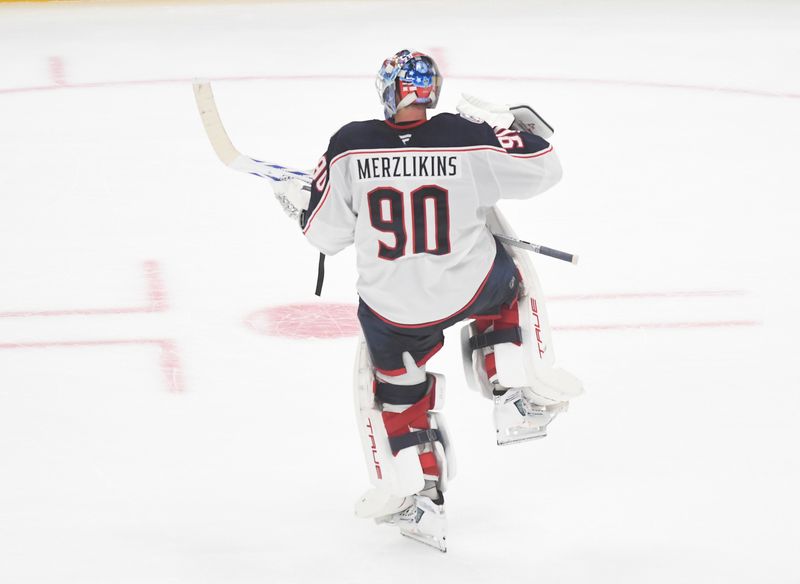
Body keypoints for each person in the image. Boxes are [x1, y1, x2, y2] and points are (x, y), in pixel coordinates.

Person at [273, 49, 581, 551]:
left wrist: (302, 205)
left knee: (395, 386)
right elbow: (545, 170)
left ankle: (420, 495)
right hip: (470, 286)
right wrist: (506, 124)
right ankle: (512, 390)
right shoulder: (466, 135)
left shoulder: (349, 147)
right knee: (508, 287)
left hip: (392, 311)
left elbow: (325, 236)